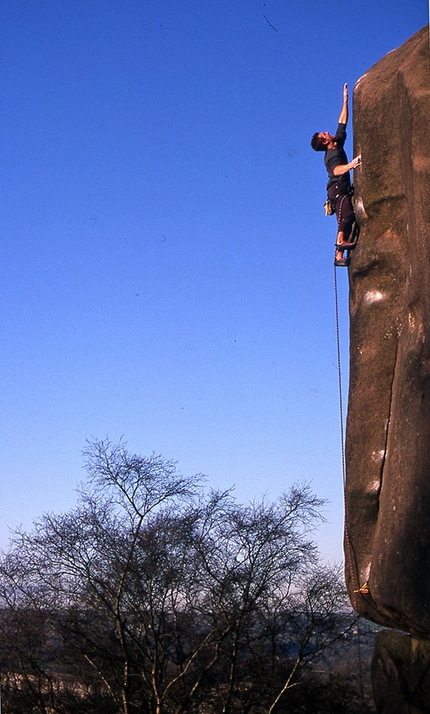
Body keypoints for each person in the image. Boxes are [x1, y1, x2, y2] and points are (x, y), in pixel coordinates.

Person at [311, 84, 361, 267]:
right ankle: (339, 249)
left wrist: (345, 100)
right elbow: (336, 170)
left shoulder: (337, 143)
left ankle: (339, 253)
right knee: (346, 214)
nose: (327, 132)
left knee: (346, 216)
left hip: (341, 187)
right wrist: (352, 165)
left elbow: (342, 122)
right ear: (324, 141)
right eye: (324, 134)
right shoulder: (331, 155)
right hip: (336, 188)